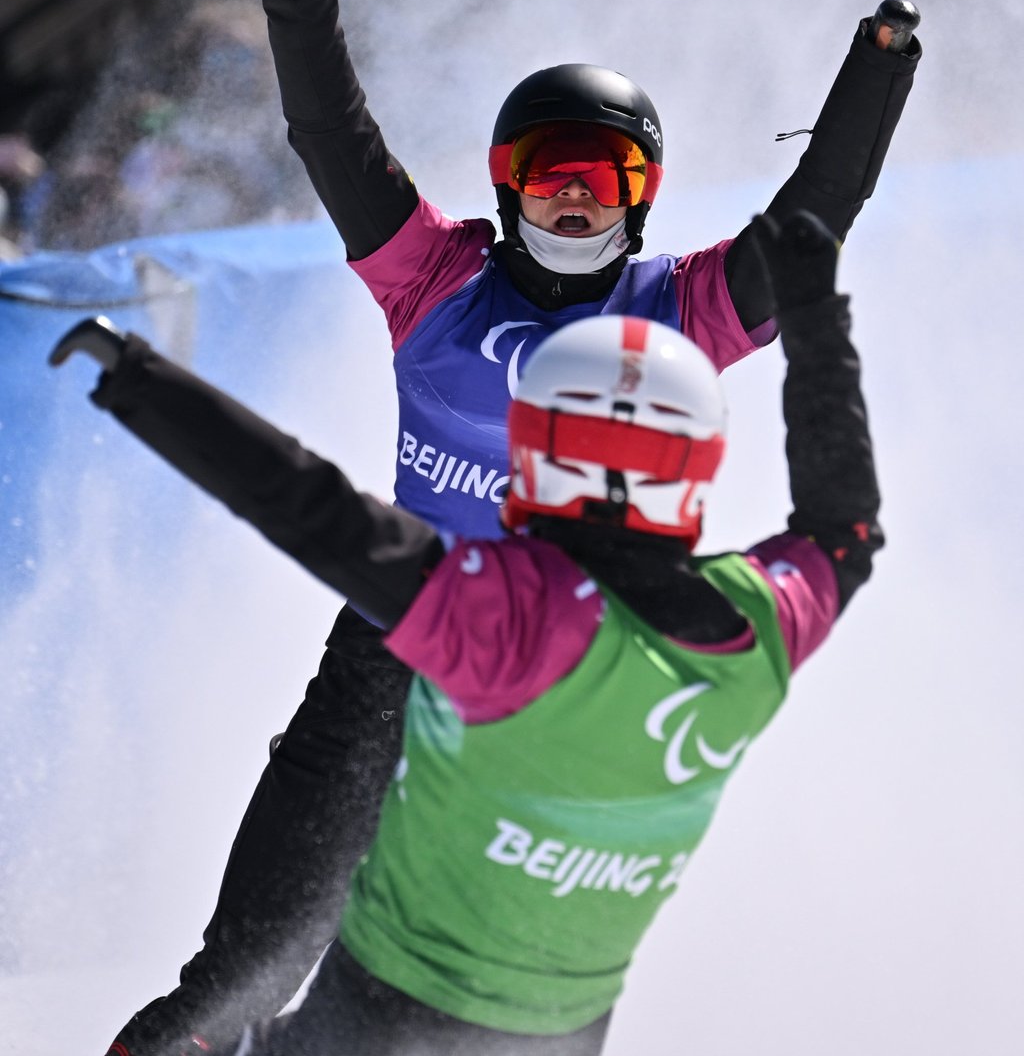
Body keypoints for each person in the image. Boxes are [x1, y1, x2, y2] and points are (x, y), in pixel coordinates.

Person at [100, 0, 921, 1054]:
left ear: (644, 198)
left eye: (606, 178)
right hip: (401, 638)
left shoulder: (684, 310)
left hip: (558, 675)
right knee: (236, 981)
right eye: (550, 174)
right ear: (507, 187)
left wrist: (877, 68)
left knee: (474, 1016)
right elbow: (329, 133)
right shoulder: (431, 280)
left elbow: (812, 216)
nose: (576, 199)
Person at [54, 207, 883, 1055]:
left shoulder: (510, 617)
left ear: (533, 455)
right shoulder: (758, 630)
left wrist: (141, 385)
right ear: (700, 467)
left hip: (376, 1022)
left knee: (199, 1026)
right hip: (558, 1038)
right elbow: (844, 528)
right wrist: (817, 316)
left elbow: (317, 514)